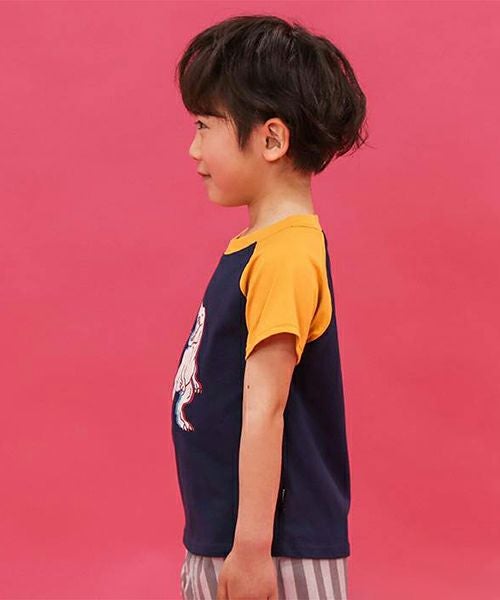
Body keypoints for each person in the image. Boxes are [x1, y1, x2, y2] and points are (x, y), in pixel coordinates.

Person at [171, 13, 368, 600]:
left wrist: (253, 551)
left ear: (272, 139)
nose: (193, 148)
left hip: (275, 551)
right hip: (225, 537)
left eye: (204, 125)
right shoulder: (259, 246)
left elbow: (267, 405)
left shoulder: (285, 252)